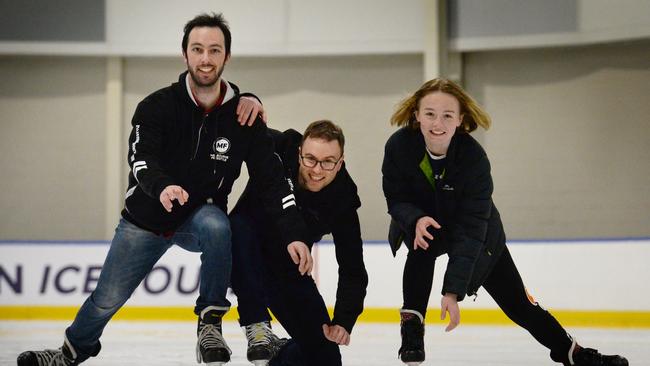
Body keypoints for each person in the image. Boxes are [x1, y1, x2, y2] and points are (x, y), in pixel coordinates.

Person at [17, 13, 310, 366]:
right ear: (184, 54)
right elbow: (140, 158)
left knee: (221, 227)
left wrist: (293, 232)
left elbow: (273, 181)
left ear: (226, 57)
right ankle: (70, 353)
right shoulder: (156, 107)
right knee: (105, 299)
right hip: (146, 218)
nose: (206, 58)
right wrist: (162, 186)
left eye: (214, 50)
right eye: (197, 49)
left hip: (200, 215)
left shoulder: (243, 118)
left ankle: (210, 322)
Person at [381, 78, 629, 366]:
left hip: (477, 232)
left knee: (519, 305)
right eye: (430, 114)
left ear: (460, 119)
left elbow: (472, 229)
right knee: (420, 241)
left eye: (447, 115)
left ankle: (572, 353)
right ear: (416, 114)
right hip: (424, 223)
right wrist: (415, 219)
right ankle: (412, 327)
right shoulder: (399, 147)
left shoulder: (474, 159)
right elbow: (395, 197)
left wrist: (452, 291)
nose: (438, 123)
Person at [229, 120, 369, 366]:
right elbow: (231, 126)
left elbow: (353, 268)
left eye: (328, 162)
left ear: (340, 162)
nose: (317, 170)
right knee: (238, 226)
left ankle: (278, 359)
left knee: (325, 356)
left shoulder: (343, 199)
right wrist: (249, 100)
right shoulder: (279, 148)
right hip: (243, 251)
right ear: (299, 153)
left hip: (288, 270)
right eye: (310, 159)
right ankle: (257, 327)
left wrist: (344, 320)